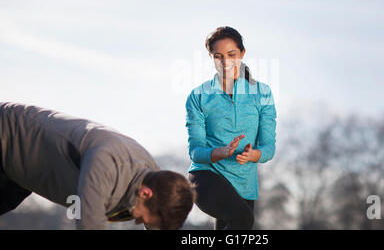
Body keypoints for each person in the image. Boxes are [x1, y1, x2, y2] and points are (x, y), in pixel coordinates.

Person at [0, 102, 195, 230]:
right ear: (145, 193)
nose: (139, 222)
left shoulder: (157, 183)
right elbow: (90, 223)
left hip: (21, 171)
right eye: (144, 218)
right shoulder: (106, 161)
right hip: (6, 134)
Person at [185, 26, 277, 230]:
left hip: (244, 185)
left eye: (231, 54)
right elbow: (195, 152)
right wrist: (220, 152)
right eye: (218, 56)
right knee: (242, 218)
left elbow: (269, 147)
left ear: (242, 53)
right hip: (207, 176)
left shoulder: (262, 93)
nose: (225, 62)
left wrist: (253, 155)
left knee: (238, 224)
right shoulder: (198, 96)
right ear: (211, 57)